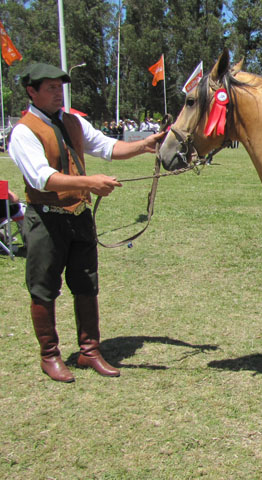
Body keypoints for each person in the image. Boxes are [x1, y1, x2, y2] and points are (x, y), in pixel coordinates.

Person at [8, 63, 166, 382]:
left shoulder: (73, 122)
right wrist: (89, 182)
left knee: (86, 285)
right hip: (46, 220)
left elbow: (107, 147)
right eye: (50, 88)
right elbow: (42, 179)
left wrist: (144, 145)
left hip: (79, 217)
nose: (57, 92)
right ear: (31, 91)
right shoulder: (23, 131)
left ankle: (89, 351)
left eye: (59, 87)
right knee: (43, 289)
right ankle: (49, 355)